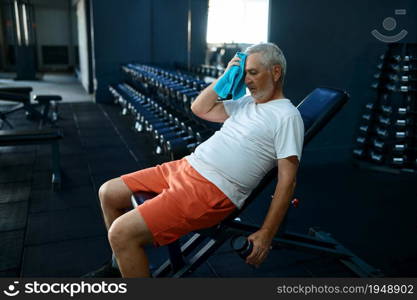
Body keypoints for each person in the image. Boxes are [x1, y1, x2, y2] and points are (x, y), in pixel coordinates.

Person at [83, 42, 304, 278]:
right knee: (108, 192)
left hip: (211, 189)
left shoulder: (287, 116)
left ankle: (126, 257)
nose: (247, 80)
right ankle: (121, 265)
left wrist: (266, 233)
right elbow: (199, 108)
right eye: (244, 73)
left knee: (121, 233)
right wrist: (228, 75)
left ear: (276, 72)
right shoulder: (246, 103)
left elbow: (287, 181)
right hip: (186, 166)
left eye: (253, 73)